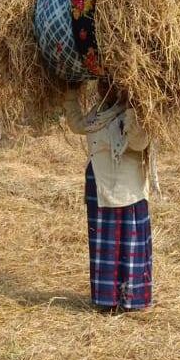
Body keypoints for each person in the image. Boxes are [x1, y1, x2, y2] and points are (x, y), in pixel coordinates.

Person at [65, 81, 156, 312]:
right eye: (101, 84)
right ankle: (107, 299)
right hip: (100, 185)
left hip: (127, 188)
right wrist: (69, 91)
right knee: (104, 244)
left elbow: (139, 142)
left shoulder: (136, 113)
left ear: (122, 87)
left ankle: (131, 299)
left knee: (128, 242)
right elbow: (78, 124)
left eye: (109, 84)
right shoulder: (100, 112)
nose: (103, 88)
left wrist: (137, 106)